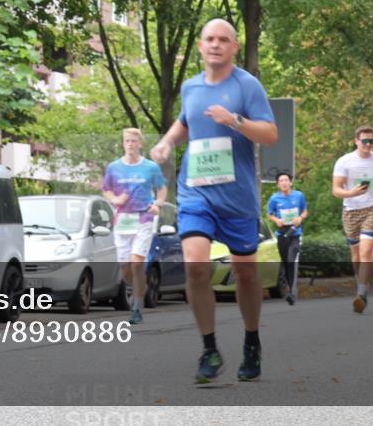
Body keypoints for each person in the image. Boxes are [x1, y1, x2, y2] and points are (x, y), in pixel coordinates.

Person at [150, 19, 277, 384]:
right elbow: (185, 123)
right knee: (195, 266)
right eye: (209, 39)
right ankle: (209, 348)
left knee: (247, 273)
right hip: (196, 193)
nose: (216, 44)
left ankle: (252, 340)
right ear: (200, 46)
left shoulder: (246, 85)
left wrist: (234, 120)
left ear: (234, 46)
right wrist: (168, 142)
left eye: (224, 39)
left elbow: (269, 134)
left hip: (237, 197)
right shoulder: (191, 87)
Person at [102, 128, 167, 325]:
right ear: (123, 143)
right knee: (126, 269)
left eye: (133, 141)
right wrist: (116, 199)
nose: (129, 144)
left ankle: (136, 307)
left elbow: (162, 189)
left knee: (137, 262)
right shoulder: (114, 167)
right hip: (122, 220)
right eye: (126, 141)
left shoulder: (150, 167)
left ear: (140, 144)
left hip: (143, 218)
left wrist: (157, 204)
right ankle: (139, 288)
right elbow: (106, 190)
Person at [332, 126, 373, 314]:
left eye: (371, 141)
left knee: (367, 252)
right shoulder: (344, 161)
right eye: (364, 140)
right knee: (356, 256)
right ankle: (361, 283)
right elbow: (336, 189)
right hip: (351, 210)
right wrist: (351, 193)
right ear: (356, 141)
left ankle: (361, 294)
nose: (368, 144)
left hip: (372, 208)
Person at [265, 172, 307, 305]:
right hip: (281, 234)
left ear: (290, 182)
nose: (284, 182)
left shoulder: (298, 196)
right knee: (286, 262)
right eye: (281, 181)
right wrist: (276, 220)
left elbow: (305, 211)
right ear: (278, 184)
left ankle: (292, 293)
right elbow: (269, 213)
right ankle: (291, 290)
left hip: (295, 233)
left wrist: (300, 218)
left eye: (286, 180)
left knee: (291, 260)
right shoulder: (274, 199)